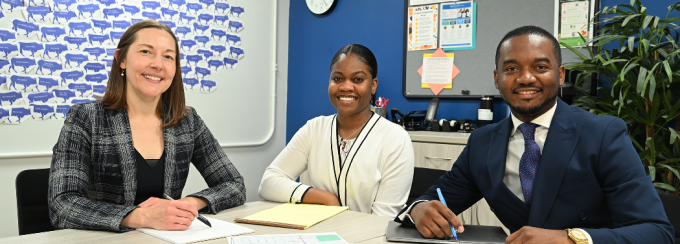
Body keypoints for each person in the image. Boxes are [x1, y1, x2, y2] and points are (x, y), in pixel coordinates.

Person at [395, 26, 674, 244]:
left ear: (561, 75)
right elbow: (434, 200)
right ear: (496, 78)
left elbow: (656, 232)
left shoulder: (602, 134)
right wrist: (418, 210)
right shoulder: (483, 142)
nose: (525, 77)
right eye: (512, 68)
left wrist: (572, 238)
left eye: (540, 67)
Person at [48, 20, 246, 232]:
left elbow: (234, 185)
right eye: (146, 52)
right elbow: (63, 204)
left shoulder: (187, 121)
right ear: (121, 59)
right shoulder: (86, 118)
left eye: (168, 56)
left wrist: (189, 204)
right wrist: (140, 216)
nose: (158, 64)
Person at [259, 44, 414, 217]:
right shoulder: (314, 129)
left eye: (357, 80)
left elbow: (384, 219)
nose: (346, 87)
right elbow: (268, 182)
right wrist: (326, 198)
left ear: (373, 85)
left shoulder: (394, 138)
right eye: (338, 79)